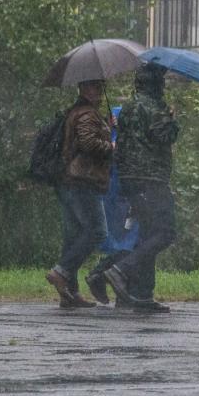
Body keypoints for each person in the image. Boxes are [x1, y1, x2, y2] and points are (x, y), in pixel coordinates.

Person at [103, 63, 179, 313]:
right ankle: (121, 269)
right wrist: (171, 119)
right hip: (152, 179)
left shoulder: (126, 108)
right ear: (157, 84)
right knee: (166, 231)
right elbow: (164, 136)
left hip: (129, 179)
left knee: (147, 234)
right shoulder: (155, 107)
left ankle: (142, 294)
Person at [46, 79, 113, 308]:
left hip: (69, 181)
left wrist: (107, 127)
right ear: (85, 89)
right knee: (97, 232)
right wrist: (112, 146)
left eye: (101, 88)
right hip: (83, 180)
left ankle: (70, 293)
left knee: (73, 236)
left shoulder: (77, 111)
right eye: (96, 87)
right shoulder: (86, 114)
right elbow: (88, 144)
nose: (100, 92)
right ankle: (61, 271)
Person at [85, 106, 139, 308]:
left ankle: (105, 278)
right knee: (132, 241)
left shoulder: (112, 140)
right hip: (122, 197)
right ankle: (101, 274)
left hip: (111, 197)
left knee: (126, 241)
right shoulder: (117, 143)